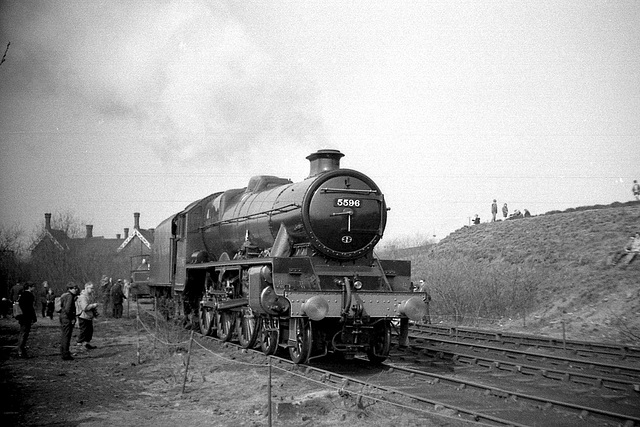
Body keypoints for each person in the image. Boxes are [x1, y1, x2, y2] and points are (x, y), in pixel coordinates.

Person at [16, 282, 37, 358]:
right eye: (33, 286)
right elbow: (30, 308)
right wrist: (33, 318)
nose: (34, 288)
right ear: (29, 287)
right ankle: (21, 351)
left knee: (22, 333)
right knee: (24, 334)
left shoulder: (22, 294)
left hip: (22, 316)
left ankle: (20, 350)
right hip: (27, 317)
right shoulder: (29, 295)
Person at [76, 282, 99, 350]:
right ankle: (79, 345)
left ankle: (86, 344)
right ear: (86, 288)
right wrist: (94, 305)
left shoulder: (90, 296)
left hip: (88, 316)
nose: (93, 290)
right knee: (83, 331)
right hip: (83, 316)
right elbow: (85, 307)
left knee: (89, 331)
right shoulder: (83, 296)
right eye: (91, 288)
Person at [60, 283, 79, 360]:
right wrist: (72, 318)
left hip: (62, 316)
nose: (76, 289)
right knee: (67, 336)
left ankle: (63, 352)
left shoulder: (64, 295)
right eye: (74, 288)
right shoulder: (70, 296)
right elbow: (68, 309)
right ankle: (66, 354)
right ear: (70, 289)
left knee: (64, 335)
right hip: (67, 318)